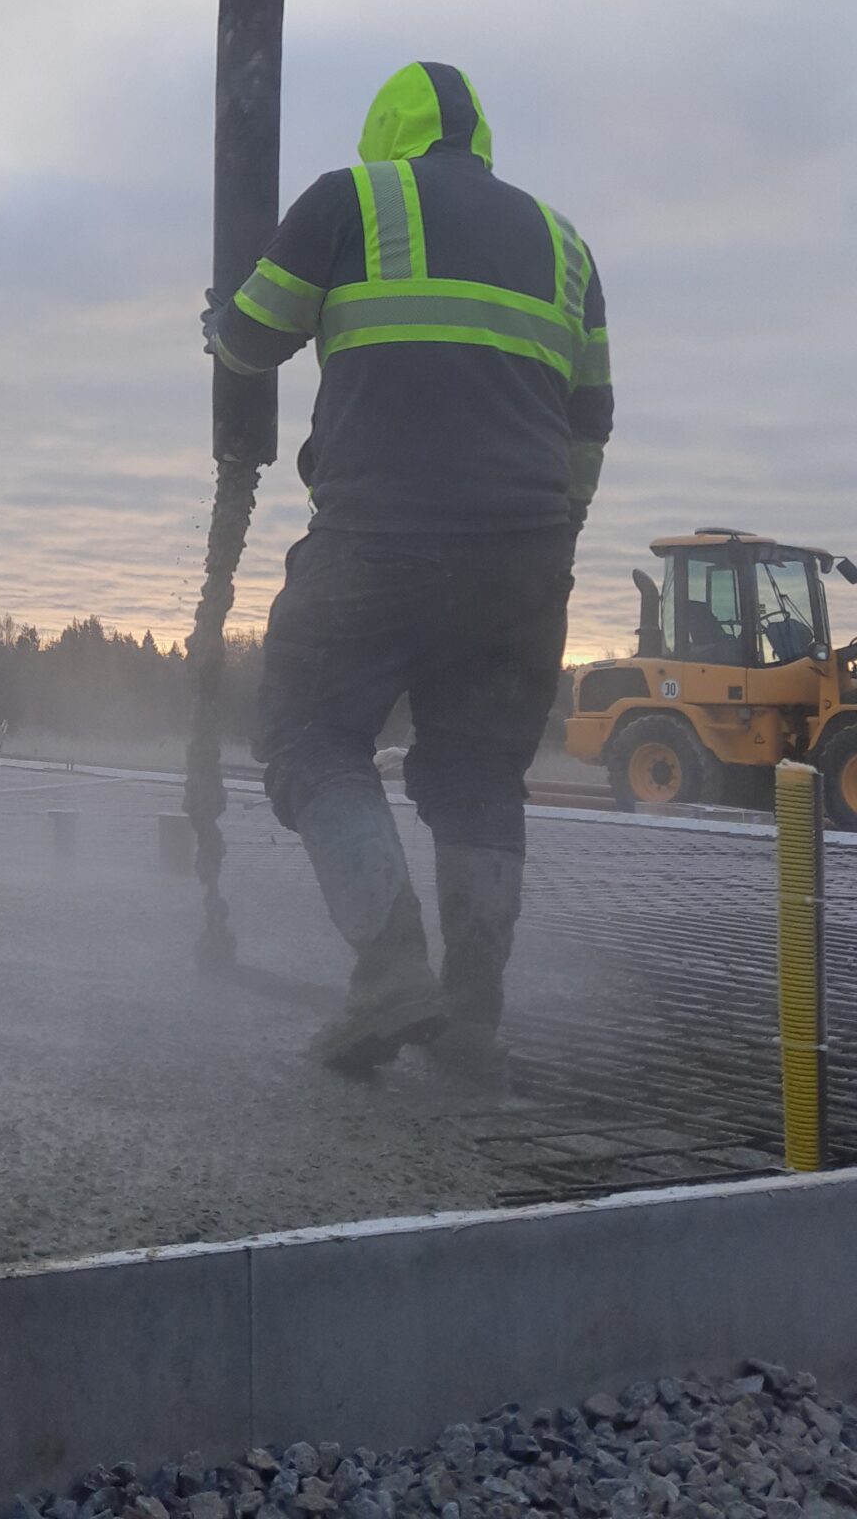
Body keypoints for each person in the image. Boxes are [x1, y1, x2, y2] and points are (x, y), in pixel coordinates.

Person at [204, 64, 611, 1080]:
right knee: (479, 774)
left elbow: (252, 340)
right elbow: (590, 426)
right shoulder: (567, 247)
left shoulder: (352, 200)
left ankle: (391, 975)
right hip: (522, 560)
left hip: (378, 540)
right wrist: (550, 541)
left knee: (309, 733)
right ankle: (471, 1018)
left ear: (388, 130)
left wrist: (220, 318)